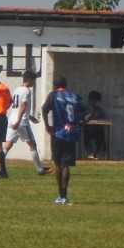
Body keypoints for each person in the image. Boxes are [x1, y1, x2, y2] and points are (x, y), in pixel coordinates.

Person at [41, 75, 84, 205]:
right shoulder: (75, 96)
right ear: (66, 85)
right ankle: (65, 196)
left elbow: (44, 109)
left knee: (58, 164)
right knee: (66, 165)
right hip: (71, 134)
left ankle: (60, 195)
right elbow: (87, 110)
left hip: (58, 133)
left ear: (55, 86)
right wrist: (81, 123)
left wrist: (48, 126)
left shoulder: (54, 95)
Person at [2, 71, 54, 177]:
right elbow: (23, 106)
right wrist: (20, 120)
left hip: (12, 119)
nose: (34, 83)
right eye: (34, 81)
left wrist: (30, 117)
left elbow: (16, 106)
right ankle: (40, 169)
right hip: (21, 122)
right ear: (29, 79)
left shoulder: (17, 90)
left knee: (8, 144)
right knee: (32, 144)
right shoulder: (26, 91)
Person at [82, 90, 107, 160]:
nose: (94, 102)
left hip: (96, 129)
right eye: (93, 100)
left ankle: (95, 153)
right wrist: (91, 114)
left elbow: (104, 120)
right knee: (84, 135)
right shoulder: (84, 108)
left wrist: (99, 122)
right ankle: (90, 153)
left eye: (95, 101)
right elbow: (83, 120)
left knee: (101, 133)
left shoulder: (99, 109)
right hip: (87, 129)